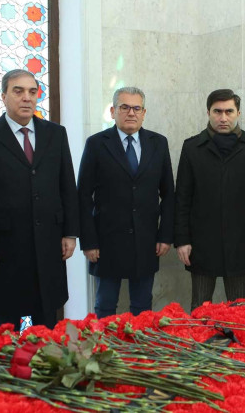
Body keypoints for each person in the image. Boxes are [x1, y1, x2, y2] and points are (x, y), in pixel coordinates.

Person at [0, 69, 79, 330]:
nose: (27, 97)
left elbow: (67, 185)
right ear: (4, 96)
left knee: (47, 325)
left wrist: (70, 233)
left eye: (32, 92)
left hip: (49, 243)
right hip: (5, 247)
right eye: (18, 91)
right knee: (6, 326)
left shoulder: (55, 134)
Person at [77, 87, 174, 318]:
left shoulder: (158, 143)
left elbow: (169, 193)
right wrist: (88, 241)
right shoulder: (97, 144)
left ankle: (138, 343)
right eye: (124, 107)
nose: (131, 113)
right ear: (113, 111)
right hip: (106, 242)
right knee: (105, 305)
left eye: (136, 108)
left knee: (142, 307)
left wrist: (165, 235)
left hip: (146, 241)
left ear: (144, 113)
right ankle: (106, 342)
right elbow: (82, 196)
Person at [174, 89, 245, 311]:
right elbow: (182, 199)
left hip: (240, 241)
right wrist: (182, 240)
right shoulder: (192, 148)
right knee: (200, 309)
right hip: (201, 243)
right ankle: (200, 336)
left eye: (229, 111)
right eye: (217, 111)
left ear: (238, 113)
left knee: (238, 310)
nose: (223, 117)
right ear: (208, 113)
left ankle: (235, 335)